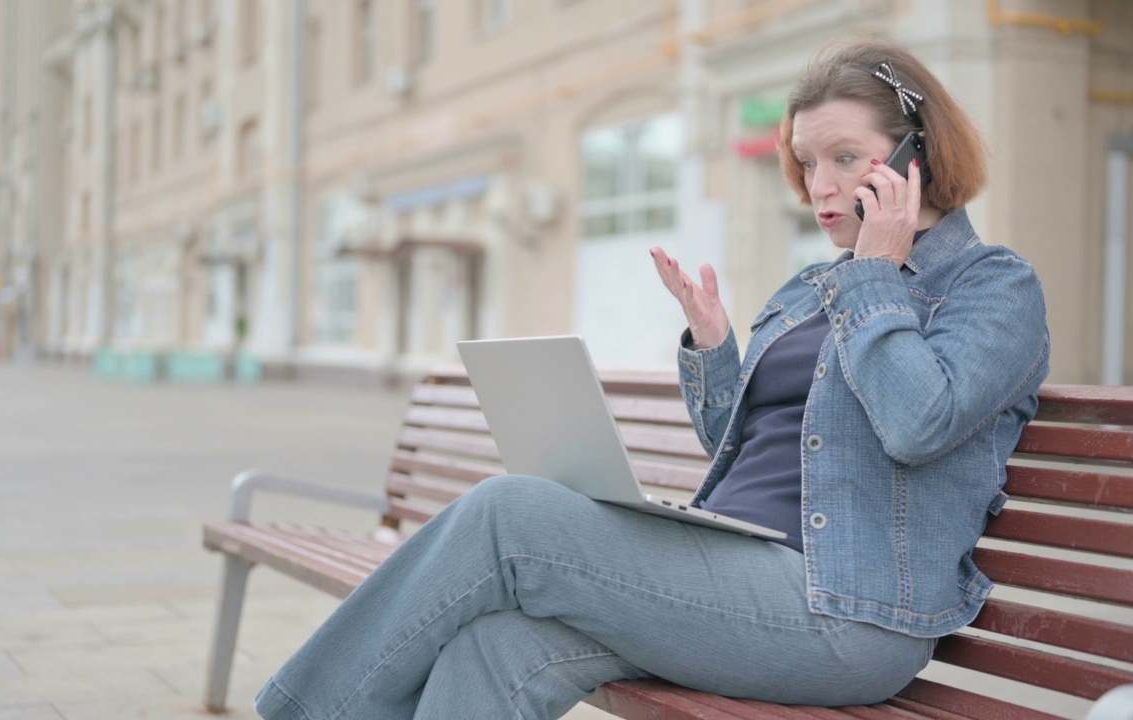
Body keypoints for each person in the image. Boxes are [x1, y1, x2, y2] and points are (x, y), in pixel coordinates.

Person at [253, 40, 1050, 720]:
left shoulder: (992, 287)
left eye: (846, 159)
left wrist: (877, 274)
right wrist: (713, 349)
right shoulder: (814, 288)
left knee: (509, 515)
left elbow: (918, 425)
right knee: (497, 645)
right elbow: (736, 450)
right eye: (807, 163)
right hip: (734, 570)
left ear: (917, 156)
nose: (820, 187)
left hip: (849, 612)